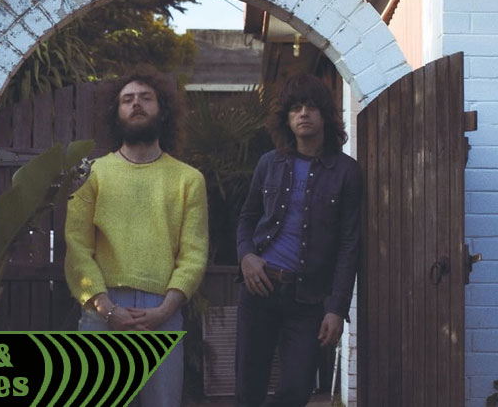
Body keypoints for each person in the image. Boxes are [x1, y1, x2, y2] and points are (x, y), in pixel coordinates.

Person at [64, 65, 208, 407]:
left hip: (163, 311)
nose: (136, 104)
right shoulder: (91, 174)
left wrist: (165, 309)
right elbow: (77, 247)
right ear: (116, 112)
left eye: (146, 97)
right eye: (127, 99)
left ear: (163, 110)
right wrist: (106, 308)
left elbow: (194, 253)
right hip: (102, 311)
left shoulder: (189, 179)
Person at [235, 74, 362, 407]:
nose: (303, 113)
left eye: (311, 107)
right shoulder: (269, 163)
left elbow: (349, 244)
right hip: (259, 289)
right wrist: (247, 256)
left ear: (325, 115)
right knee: (248, 390)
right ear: (287, 118)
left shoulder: (346, 171)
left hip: (308, 300)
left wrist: (336, 309)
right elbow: (247, 218)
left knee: (297, 390)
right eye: (295, 108)